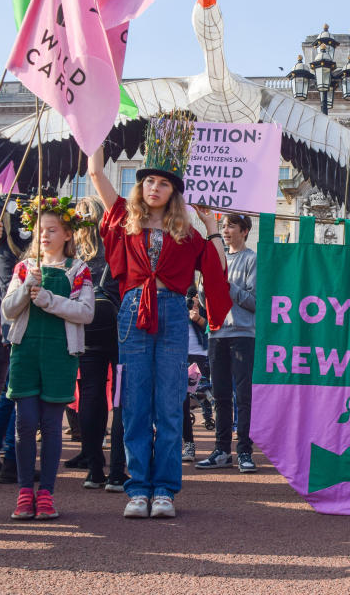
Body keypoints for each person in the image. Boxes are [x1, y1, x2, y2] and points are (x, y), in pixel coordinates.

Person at [87, 114, 230, 519]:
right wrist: (95, 126)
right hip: (133, 310)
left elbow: (215, 269)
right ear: (140, 186)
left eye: (164, 183)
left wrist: (213, 224)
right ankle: (137, 488)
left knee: (169, 402)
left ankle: (164, 488)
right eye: (149, 181)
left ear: (173, 192)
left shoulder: (186, 231)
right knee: (134, 403)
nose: (155, 187)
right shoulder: (121, 216)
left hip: (170, 309)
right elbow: (95, 171)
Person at [2, 197, 95, 519]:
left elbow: (85, 313)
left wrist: (48, 299)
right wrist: (27, 285)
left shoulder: (79, 270)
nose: (44, 235)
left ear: (68, 234)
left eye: (52, 230)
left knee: (52, 426)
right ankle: (24, 491)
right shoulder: (24, 268)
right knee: (25, 423)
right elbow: (8, 310)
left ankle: (47, 494)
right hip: (25, 352)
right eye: (40, 230)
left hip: (60, 355)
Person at [195, 214, 258, 473]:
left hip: (243, 334)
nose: (226, 230)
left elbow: (256, 302)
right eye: (224, 226)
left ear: (244, 231)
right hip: (216, 333)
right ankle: (222, 450)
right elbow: (202, 301)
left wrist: (226, 285)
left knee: (243, 395)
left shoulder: (252, 259)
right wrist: (204, 284)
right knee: (220, 395)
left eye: (231, 226)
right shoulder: (213, 259)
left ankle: (244, 451)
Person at [71, 197, 121, 489]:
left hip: (85, 321)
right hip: (115, 319)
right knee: (121, 393)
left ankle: (93, 468)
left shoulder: (74, 250)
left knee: (90, 392)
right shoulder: (112, 242)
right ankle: (118, 468)